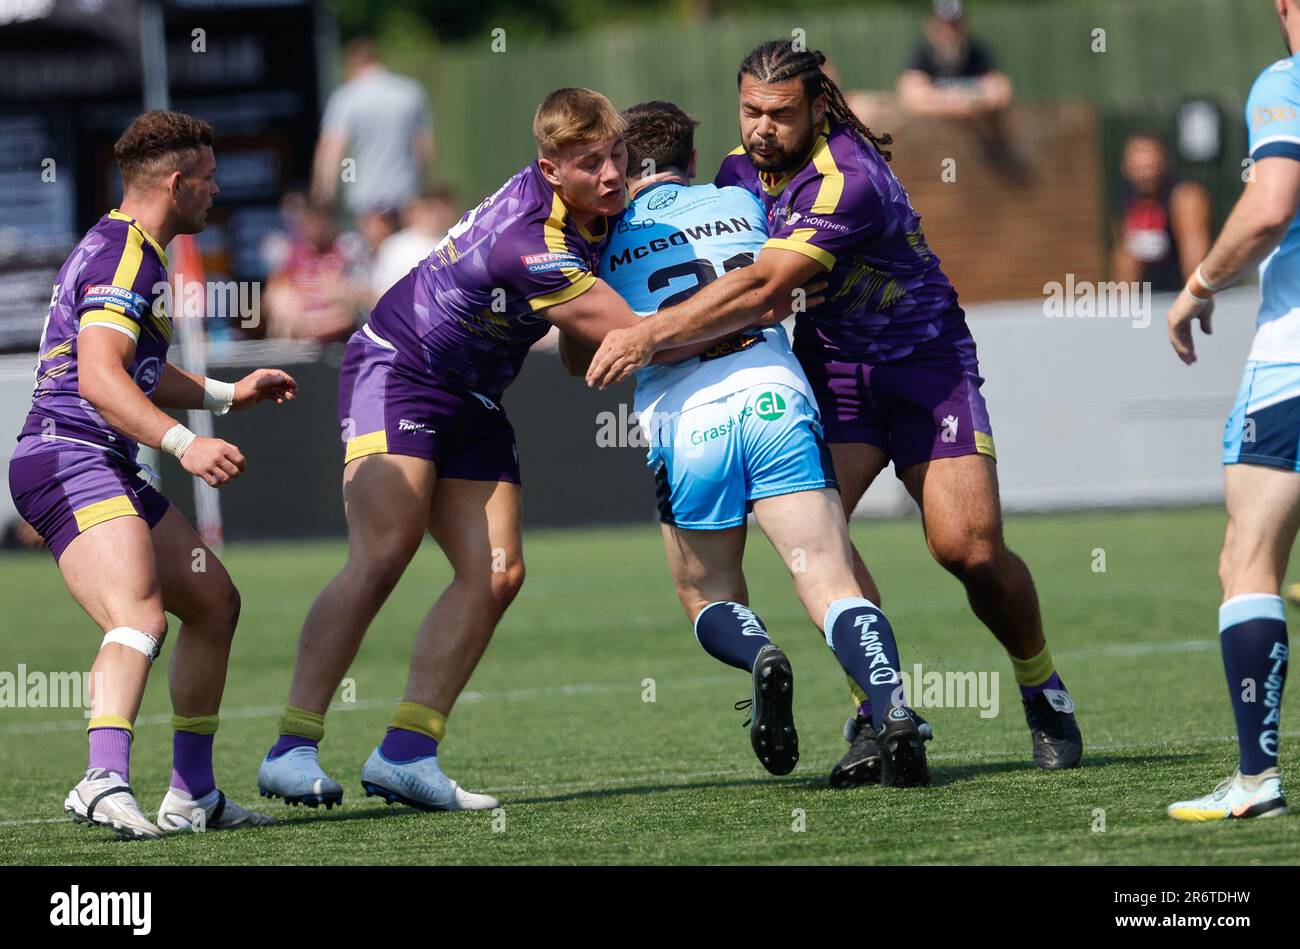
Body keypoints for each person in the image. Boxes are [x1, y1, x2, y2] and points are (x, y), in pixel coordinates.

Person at [586, 39, 1082, 785]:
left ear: (818, 108)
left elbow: (763, 289)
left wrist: (650, 332)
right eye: (749, 110)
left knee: (967, 549)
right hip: (834, 374)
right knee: (819, 547)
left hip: (924, 365)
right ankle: (876, 713)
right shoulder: (735, 174)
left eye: (779, 115)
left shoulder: (846, 179)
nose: (761, 129)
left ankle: (1041, 684)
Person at [256, 88, 656, 812]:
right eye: (590, 161)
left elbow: (580, 345)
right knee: (384, 550)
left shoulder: (585, 207)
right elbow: (639, 334)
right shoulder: (532, 242)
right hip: (399, 368)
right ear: (551, 168)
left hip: (472, 394)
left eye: (619, 155)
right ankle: (292, 746)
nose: (611, 173)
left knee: (499, 572)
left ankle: (407, 752)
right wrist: (754, 306)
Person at [572, 100, 932, 785]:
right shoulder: (742, 198)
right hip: (773, 390)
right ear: (692, 160)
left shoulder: (604, 235)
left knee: (706, 591)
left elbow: (579, 349)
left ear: (621, 162)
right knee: (829, 576)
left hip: (687, 414)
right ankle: (891, 708)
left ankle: (761, 653)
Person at [7, 110, 299, 839]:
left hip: (93, 456)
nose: (217, 189)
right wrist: (183, 444)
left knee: (211, 601)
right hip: (66, 453)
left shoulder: (131, 246)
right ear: (177, 182)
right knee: (136, 615)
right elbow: (102, 381)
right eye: (208, 177)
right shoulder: (123, 257)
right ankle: (101, 779)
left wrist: (227, 394)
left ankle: (192, 794)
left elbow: (135, 368)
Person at [1163, 0, 1300, 822]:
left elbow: (1272, 202)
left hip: (1293, 362)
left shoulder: (1285, 80)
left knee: (1248, 561)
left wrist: (1199, 284)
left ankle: (1256, 779)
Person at [311, 38, 434, 247]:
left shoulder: (346, 98)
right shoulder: (410, 93)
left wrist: (324, 195)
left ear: (352, 64)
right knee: (404, 261)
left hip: (366, 202)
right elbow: (423, 147)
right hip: (405, 196)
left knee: (374, 266)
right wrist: (422, 187)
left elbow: (332, 151)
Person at [1112, 134, 1213, 293]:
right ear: (1126, 167)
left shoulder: (1184, 197)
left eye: (1149, 164)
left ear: (1162, 162)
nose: (1145, 173)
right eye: (1138, 166)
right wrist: (1121, 309)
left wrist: (1193, 303)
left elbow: (1195, 261)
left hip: (1178, 297)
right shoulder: (1127, 201)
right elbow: (1124, 261)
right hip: (1146, 302)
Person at [262, 199, 372, 343]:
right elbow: (270, 300)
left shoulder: (346, 251)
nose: (312, 227)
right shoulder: (291, 254)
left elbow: (358, 300)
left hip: (338, 325)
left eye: (317, 221)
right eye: (308, 222)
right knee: (281, 299)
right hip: (301, 325)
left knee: (343, 293)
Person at [895, 0, 1013, 121]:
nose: (949, 30)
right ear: (932, 24)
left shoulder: (977, 52)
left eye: (954, 24)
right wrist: (958, 105)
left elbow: (1000, 91)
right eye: (944, 24)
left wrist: (942, 100)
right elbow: (911, 97)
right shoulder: (922, 54)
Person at [371, 187, 459, 297]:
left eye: (441, 209)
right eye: (429, 208)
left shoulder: (457, 244)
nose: (435, 216)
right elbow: (381, 292)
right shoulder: (395, 247)